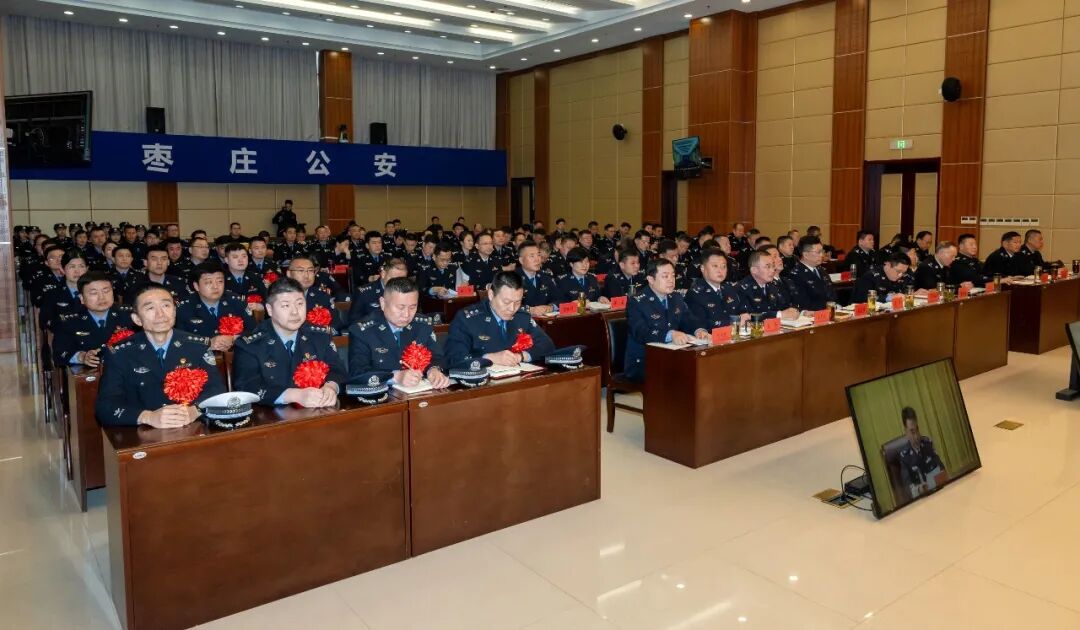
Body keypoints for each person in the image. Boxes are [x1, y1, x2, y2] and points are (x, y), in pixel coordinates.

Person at [95, 284, 226, 428]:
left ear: (174, 312)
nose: (160, 314)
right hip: (143, 431)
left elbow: (216, 390)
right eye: (150, 308)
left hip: (191, 427)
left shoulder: (197, 346)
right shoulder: (120, 353)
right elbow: (105, 407)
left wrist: (195, 410)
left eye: (166, 306)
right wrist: (147, 417)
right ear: (137, 319)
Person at [233, 278, 347, 407]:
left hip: (320, 411)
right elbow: (247, 386)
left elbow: (338, 369)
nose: (295, 312)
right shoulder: (249, 344)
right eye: (286, 305)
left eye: (300, 304)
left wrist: (331, 387)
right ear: (269, 310)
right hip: (270, 415)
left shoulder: (320, 336)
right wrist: (293, 395)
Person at [347, 277, 450, 388]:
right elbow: (357, 372)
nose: (406, 314)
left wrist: (433, 370)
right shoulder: (362, 331)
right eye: (400, 307)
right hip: (383, 395)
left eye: (412, 307)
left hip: (419, 392)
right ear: (383, 303)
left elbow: (437, 356)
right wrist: (395, 377)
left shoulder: (422, 326)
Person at [444, 271, 556, 367]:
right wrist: (488, 358)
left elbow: (547, 345)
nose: (512, 308)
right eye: (506, 302)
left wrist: (520, 356)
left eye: (517, 302)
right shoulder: (467, 319)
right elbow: (453, 357)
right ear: (491, 295)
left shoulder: (522, 316)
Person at [625, 259, 709, 382]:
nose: (671, 280)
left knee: (703, 369)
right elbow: (641, 332)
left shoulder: (676, 297)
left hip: (671, 356)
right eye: (665, 276)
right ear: (651, 279)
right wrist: (670, 334)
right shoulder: (637, 302)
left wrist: (699, 330)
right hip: (644, 361)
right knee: (687, 375)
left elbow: (689, 320)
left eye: (673, 275)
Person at [52, 271, 134, 367]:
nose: (102, 297)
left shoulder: (130, 315)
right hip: (90, 373)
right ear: (82, 298)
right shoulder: (69, 321)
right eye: (94, 293)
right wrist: (82, 357)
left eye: (106, 291)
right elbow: (60, 353)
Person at [175, 262, 256, 350]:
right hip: (200, 356)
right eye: (208, 282)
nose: (215, 286)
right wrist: (208, 343)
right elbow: (179, 339)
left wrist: (233, 338)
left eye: (220, 281)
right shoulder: (184, 308)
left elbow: (254, 331)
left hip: (236, 353)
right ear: (196, 286)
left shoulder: (236, 301)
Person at [685, 248, 749, 330]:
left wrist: (744, 315)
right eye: (715, 266)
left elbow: (741, 310)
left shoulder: (729, 288)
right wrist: (733, 322)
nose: (720, 270)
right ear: (703, 268)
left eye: (724, 266)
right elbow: (700, 324)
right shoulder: (695, 294)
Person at [896, 407, 946, 499]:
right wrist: (920, 490)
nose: (917, 436)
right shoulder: (904, 456)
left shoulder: (927, 444)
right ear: (905, 431)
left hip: (939, 493)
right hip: (922, 500)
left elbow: (942, 470)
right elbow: (908, 489)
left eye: (917, 430)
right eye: (912, 432)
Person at [736, 251, 801, 318]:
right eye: (768, 267)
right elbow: (748, 316)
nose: (772, 270)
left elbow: (784, 307)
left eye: (773, 266)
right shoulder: (742, 288)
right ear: (754, 270)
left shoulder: (772, 285)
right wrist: (778, 314)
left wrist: (796, 311)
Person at [347, 258, 409, 325]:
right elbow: (353, 323)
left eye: (402, 280)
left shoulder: (409, 293)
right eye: (394, 279)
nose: (398, 283)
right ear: (383, 274)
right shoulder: (364, 293)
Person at [39, 251, 89, 331]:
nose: (77, 271)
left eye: (81, 266)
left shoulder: (95, 291)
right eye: (72, 267)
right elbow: (45, 321)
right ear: (62, 269)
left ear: (87, 269)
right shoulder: (52, 293)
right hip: (64, 335)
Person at [783, 236, 836, 311]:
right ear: (805, 254)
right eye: (818, 252)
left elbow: (832, 293)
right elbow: (804, 304)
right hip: (814, 314)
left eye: (822, 251)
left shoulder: (821, 270)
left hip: (830, 311)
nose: (822, 255)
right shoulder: (795, 275)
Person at [516, 242, 559, 316]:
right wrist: (530, 310)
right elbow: (506, 304)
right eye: (532, 256)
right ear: (521, 260)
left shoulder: (545, 277)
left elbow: (559, 299)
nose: (537, 259)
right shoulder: (512, 278)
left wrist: (551, 307)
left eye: (538, 255)